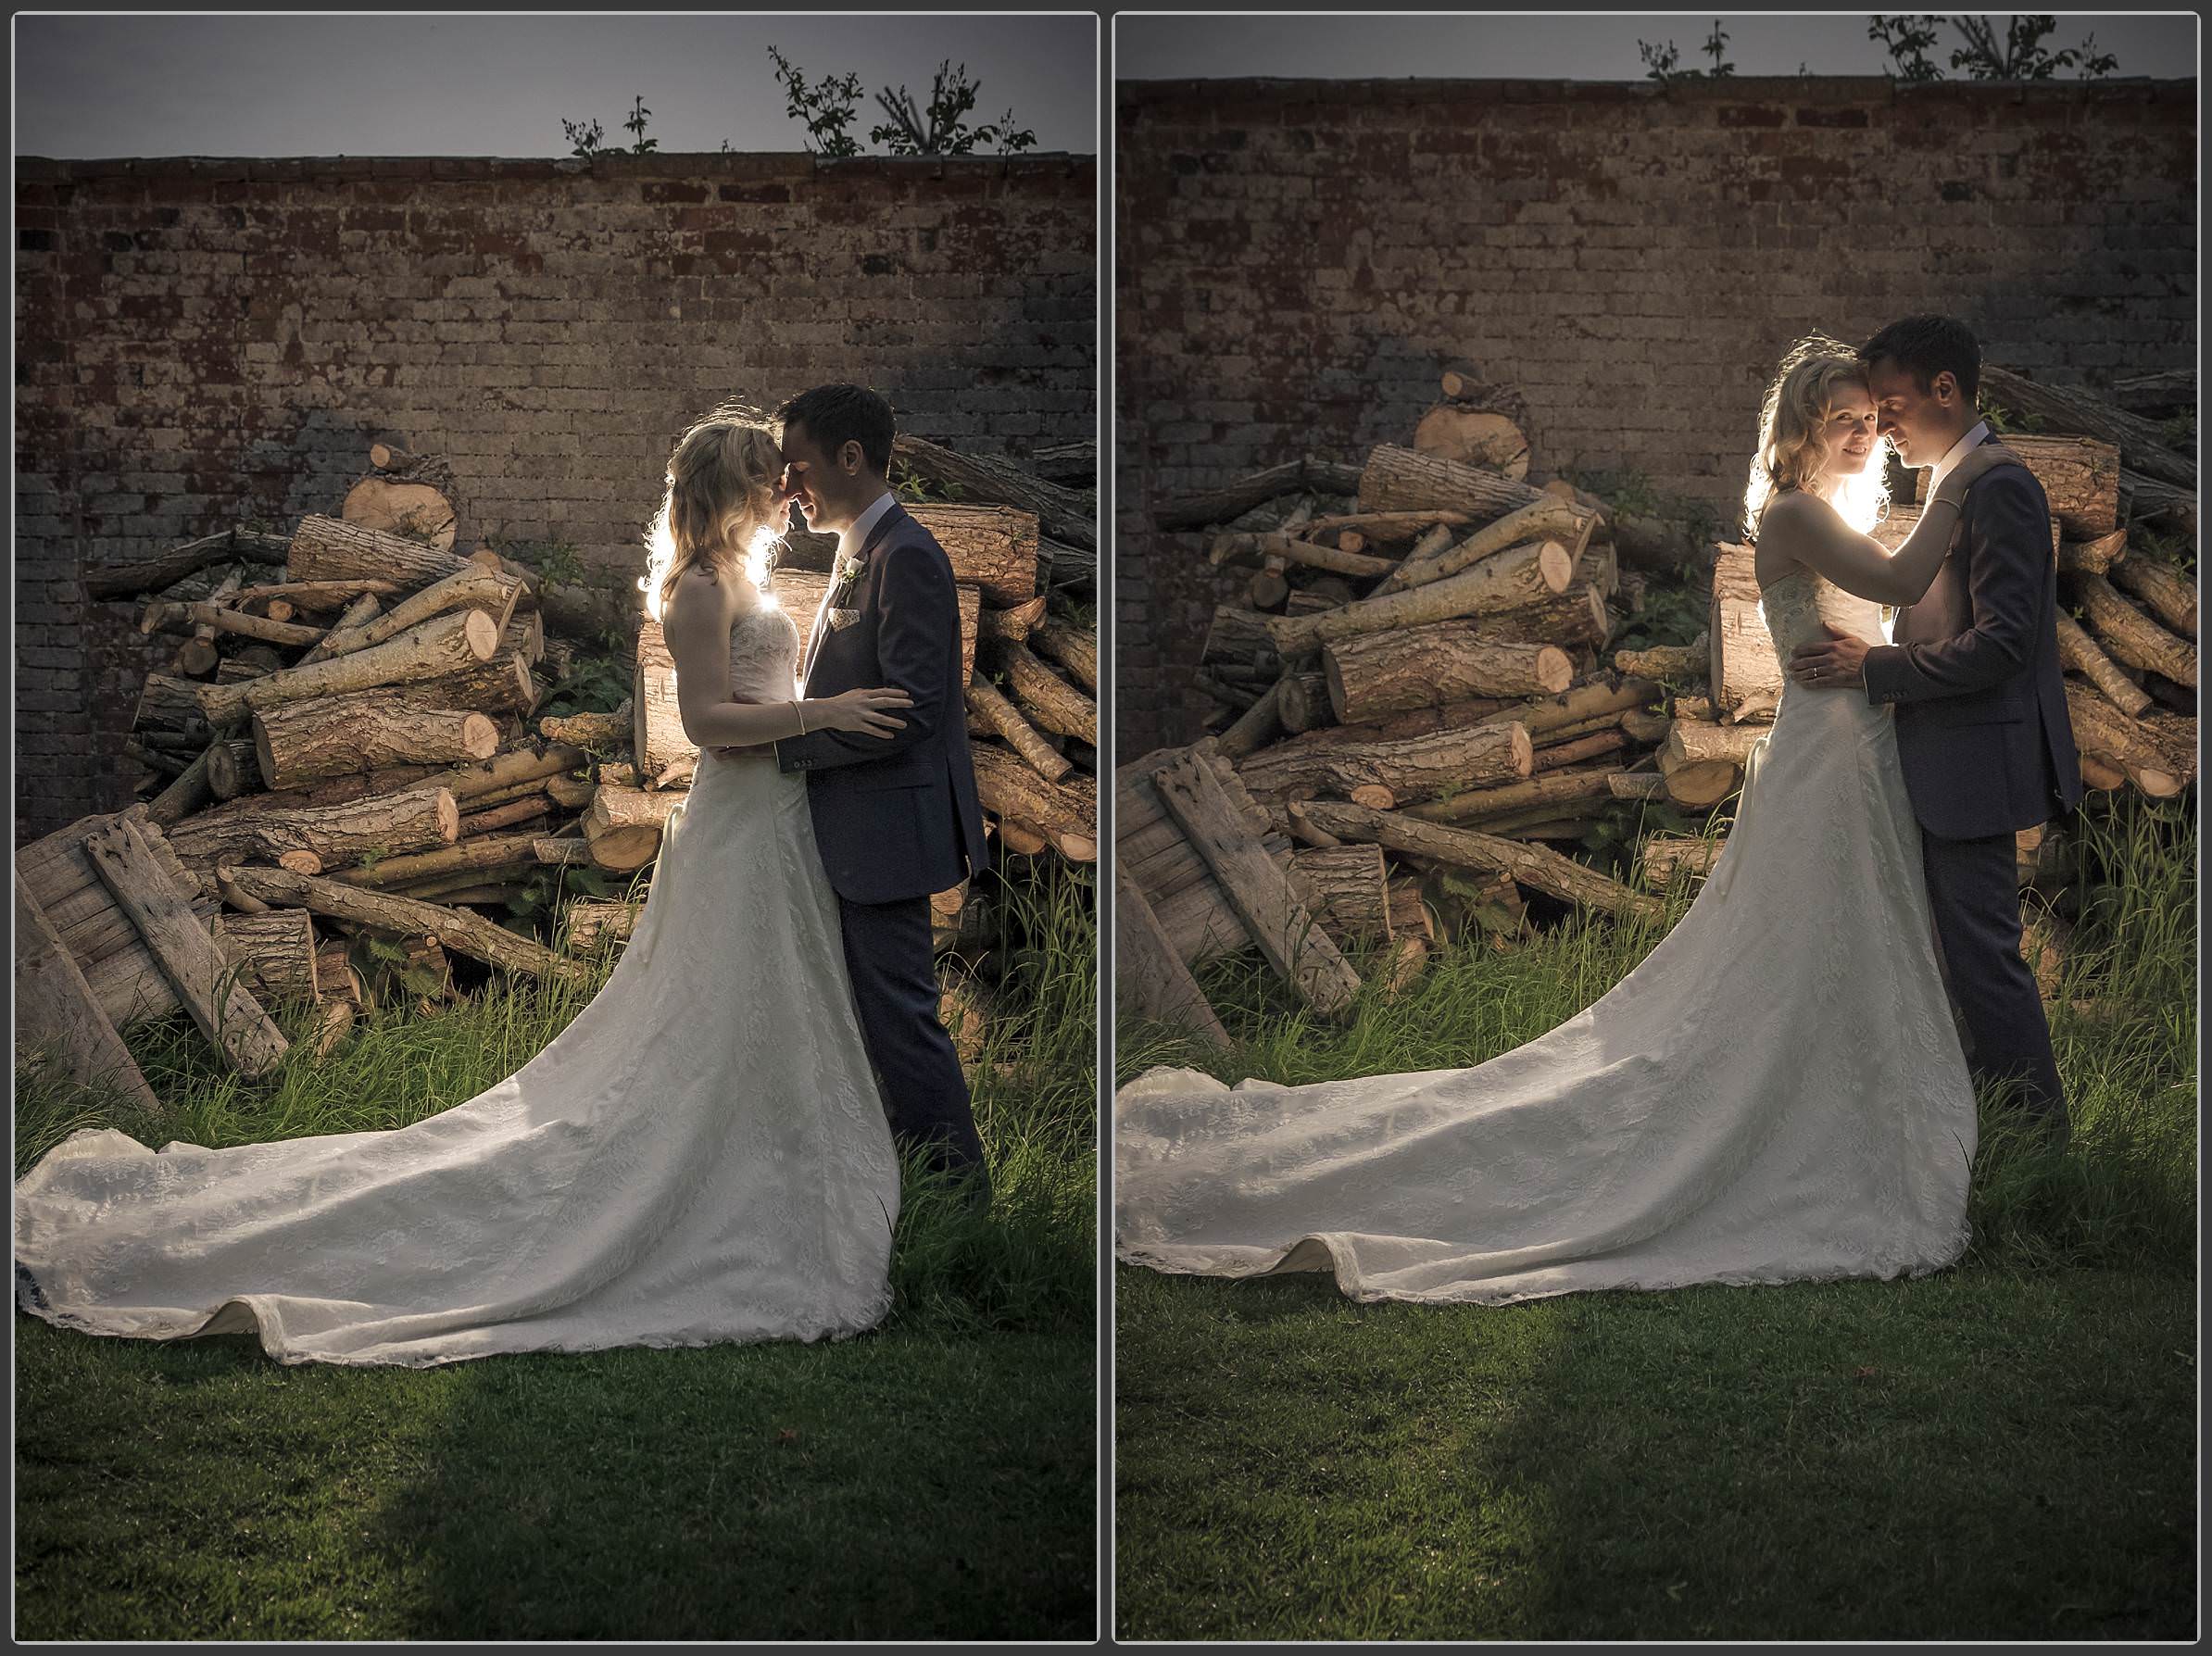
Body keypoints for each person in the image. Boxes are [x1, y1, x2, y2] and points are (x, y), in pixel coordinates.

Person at [1113, 332, 2038, 1307]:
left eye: (1868, 418)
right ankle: (1803, 1119)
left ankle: (1859, 1108)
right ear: (1804, 428)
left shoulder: (1834, 510)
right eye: (1844, 419)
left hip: (1853, 744)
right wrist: (1962, 485)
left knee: (1851, 939)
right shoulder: (1804, 512)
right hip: (1833, 752)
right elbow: (1894, 587)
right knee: (1814, 941)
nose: (1865, 432)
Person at [15, 408, 916, 1367]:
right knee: (715, 1016)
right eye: (769, 476)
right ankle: (700, 1190)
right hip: (739, 827)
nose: (788, 489)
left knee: (770, 1011)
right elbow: (702, 723)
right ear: (733, 488)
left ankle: (767, 1179)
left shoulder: (748, 575)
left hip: (779, 825)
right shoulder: (700, 588)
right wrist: (828, 711)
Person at [1787, 314, 2082, 1145]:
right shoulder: (1956, 480)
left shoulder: (1999, 486)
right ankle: (1975, 1130)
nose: (1881, 426)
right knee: (1952, 959)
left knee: (1984, 958)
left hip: (1973, 761)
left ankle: (2041, 1141)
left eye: (1891, 406)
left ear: (1944, 390)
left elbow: (2002, 642)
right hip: (1936, 753)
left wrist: (1876, 671)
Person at [725, 383, 993, 1199]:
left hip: (887, 833)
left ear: (851, 457)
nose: (787, 489)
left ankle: (959, 1200)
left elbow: (913, 711)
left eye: (798, 467)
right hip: (859, 828)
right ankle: (891, 1183)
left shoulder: (906, 555)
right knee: (872, 1020)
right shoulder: (859, 551)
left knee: (903, 1021)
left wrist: (788, 746)